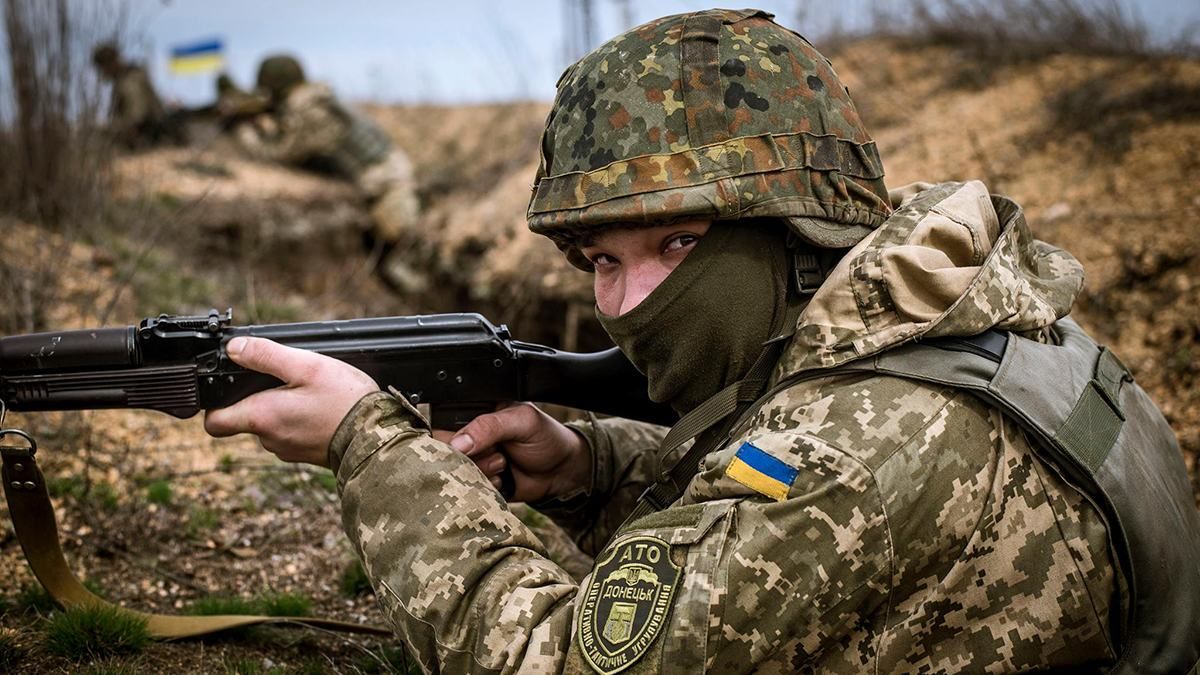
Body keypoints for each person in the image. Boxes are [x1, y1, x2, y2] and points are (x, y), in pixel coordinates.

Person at [204, 9, 1199, 673]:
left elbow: (550, 657)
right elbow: (768, 502)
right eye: (601, 260)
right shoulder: (958, 309)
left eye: (678, 243)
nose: (630, 302)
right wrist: (591, 468)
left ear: (798, 235)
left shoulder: (863, 444)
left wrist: (371, 447)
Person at [233, 54, 422, 292]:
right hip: (386, 178)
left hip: (387, 185)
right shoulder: (318, 99)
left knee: (397, 260)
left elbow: (279, 154)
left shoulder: (309, 110)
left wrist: (244, 130)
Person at [91, 41, 179, 149]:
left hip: (151, 135)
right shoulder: (124, 79)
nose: (102, 73)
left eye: (102, 67)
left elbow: (137, 115)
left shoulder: (130, 79)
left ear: (110, 63)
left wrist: (114, 129)